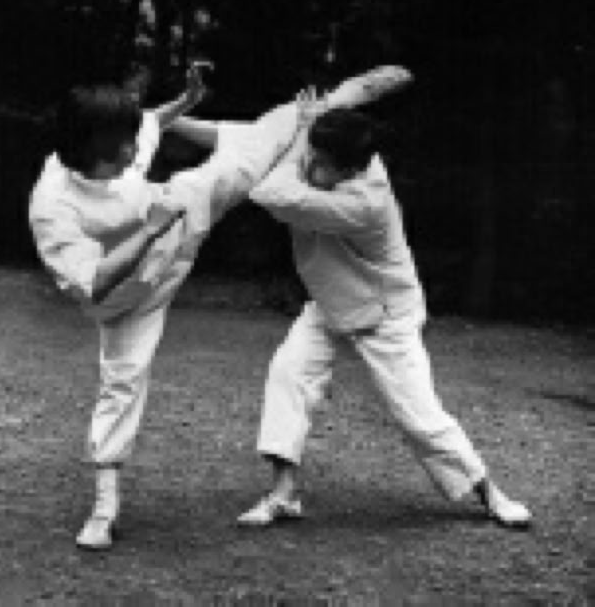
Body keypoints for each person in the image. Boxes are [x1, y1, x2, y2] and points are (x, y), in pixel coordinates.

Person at [29, 61, 408, 550]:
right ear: (93, 148)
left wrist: (185, 102)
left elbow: (151, 122)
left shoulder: (111, 143)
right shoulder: (52, 207)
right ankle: (104, 509)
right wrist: (149, 229)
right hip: (126, 298)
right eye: (126, 145)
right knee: (121, 381)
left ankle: (335, 102)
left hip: (180, 216)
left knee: (250, 151)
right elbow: (94, 283)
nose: (137, 148)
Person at [234, 90, 532, 530]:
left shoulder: (362, 201)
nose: (313, 164)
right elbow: (296, 159)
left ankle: (491, 493)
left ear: (350, 168)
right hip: (331, 301)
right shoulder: (336, 158)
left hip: (383, 314)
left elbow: (267, 190)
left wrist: (299, 129)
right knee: (288, 375)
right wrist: (309, 123)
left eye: (322, 158)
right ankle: (283, 493)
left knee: (417, 415)